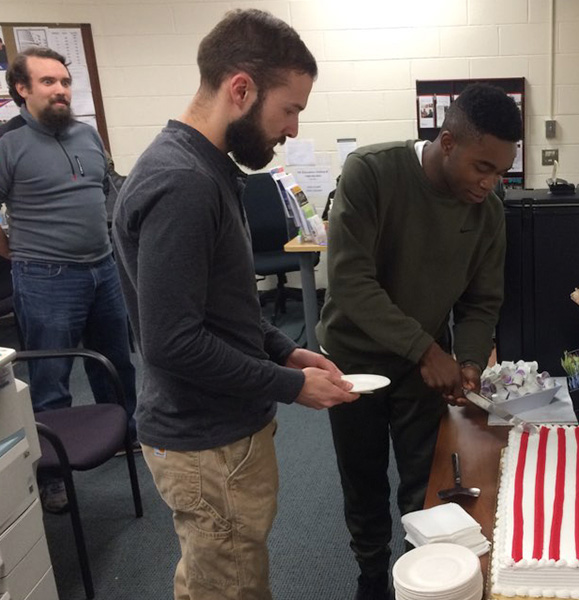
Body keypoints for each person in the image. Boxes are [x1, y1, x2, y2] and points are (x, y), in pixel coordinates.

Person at [111, 9, 358, 600]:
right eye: (289, 109)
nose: (293, 129)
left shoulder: (207, 167)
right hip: (206, 442)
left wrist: (285, 349)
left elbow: (221, 307)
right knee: (229, 585)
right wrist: (289, 385)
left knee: (214, 576)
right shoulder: (184, 181)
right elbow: (172, 342)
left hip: (218, 434)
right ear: (240, 89)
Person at [318, 83, 523, 600]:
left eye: (501, 171)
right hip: (356, 363)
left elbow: (481, 302)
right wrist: (428, 351)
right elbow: (350, 282)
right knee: (363, 480)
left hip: (420, 368)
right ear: (448, 142)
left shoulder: (488, 212)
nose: (490, 183)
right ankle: (371, 574)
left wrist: (470, 361)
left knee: (422, 483)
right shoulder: (372, 172)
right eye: (482, 167)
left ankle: (419, 576)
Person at [0, 46, 138, 513]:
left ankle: (128, 437)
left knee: (116, 362)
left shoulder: (86, 134)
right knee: (51, 378)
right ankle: (53, 473)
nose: (60, 90)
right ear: (21, 89)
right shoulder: (7, 142)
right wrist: (16, 253)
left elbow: (107, 191)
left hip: (103, 268)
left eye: (64, 81)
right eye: (47, 82)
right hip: (44, 277)